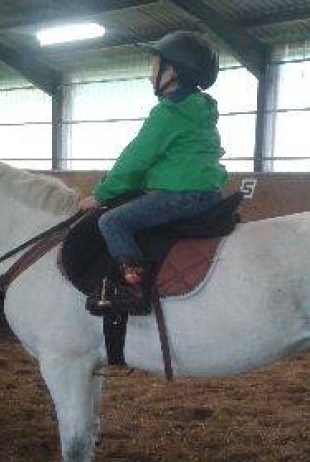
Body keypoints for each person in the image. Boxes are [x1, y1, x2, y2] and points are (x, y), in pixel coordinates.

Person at [78, 31, 228, 314]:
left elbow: (136, 159)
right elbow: (165, 161)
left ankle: (135, 290)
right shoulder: (199, 109)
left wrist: (100, 195)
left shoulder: (170, 112)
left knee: (112, 222)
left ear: (172, 72)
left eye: (154, 67)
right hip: (206, 192)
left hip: (182, 194)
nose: (150, 76)